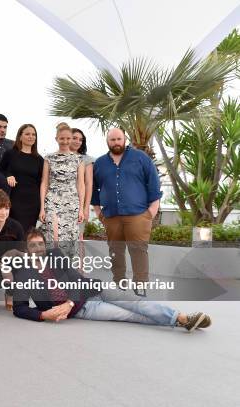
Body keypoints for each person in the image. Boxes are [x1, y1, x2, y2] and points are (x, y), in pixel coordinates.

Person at [11, 229, 211, 332]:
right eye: (32, 245)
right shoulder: (23, 274)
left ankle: (183, 318)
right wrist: (44, 315)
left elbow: (75, 279)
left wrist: (68, 303)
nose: (38, 249)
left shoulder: (55, 255)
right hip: (84, 309)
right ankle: (180, 321)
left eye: (40, 244)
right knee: (129, 315)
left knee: (137, 304)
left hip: (93, 291)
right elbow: (19, 308)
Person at [92, 128, 162, 289]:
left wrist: (152, 210)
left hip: (138, 214)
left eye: (119, 139)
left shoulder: (140, 157)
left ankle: (140, 287)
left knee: (138, 251)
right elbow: (94, 188)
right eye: (112, 140)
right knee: (115, 252)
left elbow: (153, 182)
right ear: (107, 142)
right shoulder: (100, 163)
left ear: (124, 139)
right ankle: (119, 285)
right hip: (111, 215)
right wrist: (98, 211)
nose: (116, 143)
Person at [39, 122, 85, 257]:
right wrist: (42, 207)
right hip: (52, 202)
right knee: (52, 236)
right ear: (56, 139)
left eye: (68, 138)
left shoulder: (78, 159)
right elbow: (44, 183)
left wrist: (81, 208)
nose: (65, 141)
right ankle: (50, 272)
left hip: (72, 205)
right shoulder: (49, 157)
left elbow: (81, 185)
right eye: (62, 138)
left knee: (70, 238)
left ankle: (68, 274)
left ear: (71, 139)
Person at [0, 124, 44, 232]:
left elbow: (42, 182)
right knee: (13, 232)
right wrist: (8, 176)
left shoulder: (39, 159)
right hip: (14, 200)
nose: (31, 137)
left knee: (29, 234)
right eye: (27, 134)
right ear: (20, 136)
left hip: (33, 202)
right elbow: (0, 171)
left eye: (34, 134)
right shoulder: (10, 154)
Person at [70, 127, 94, 236]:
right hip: (58, 204)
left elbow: (89, 184)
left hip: (78, 206)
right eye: (74, 138)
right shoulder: (56, 157)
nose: (78, 141)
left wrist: (86, 208)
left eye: (80, 139)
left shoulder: (86, 160)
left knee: (77, 239)